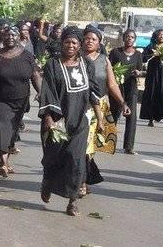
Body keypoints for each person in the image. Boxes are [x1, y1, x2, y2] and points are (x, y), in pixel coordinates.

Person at [39, 26, 105, 216]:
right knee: (53, 158)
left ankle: (73, 201)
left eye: (74, 42)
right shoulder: (52, 65)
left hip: (80, 121)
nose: (70, 45)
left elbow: (93, 93)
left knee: (76, 161)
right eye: (67, 42)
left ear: (79, 45)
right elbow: (48, 92)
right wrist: (49, 118)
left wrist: (100, 118)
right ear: (62, 43)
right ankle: (47, 183)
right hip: (58, 121)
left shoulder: (87, 65)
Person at [0, 27, 41, 177]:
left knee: (13, 130)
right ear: (2, 36)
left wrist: (41, 92)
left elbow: (35, 76)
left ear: (18, 36)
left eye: (13, 34)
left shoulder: (27, 56)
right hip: (0, 99)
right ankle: (2, 162)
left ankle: (6, 161)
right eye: (7, 34)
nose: (10, 37)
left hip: (20, 101)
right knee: (4, 128)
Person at [81, 26, 130, 195]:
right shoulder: (76, 58)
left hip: (99, 108)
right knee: (82, 144)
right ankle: (82, 180)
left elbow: (112, 84)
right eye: (87, 38)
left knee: (90, 146)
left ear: (99, 42)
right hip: (79, 106)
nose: (89, 41)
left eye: (93, 39)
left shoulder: (104, 60)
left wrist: (123, 102)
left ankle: (84, 179)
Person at [109, 29, 144, 154]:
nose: (129, 39)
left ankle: (129, 146)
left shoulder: (138, 54)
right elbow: (108, 68)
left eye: (132, 37)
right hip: (117, 88)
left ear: (135, 39)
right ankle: (109, 143)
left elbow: (141, 70)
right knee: (114, 115)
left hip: (131, 88)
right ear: (123, 38)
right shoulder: (115, 52)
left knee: (131, 117)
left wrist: (139, 73)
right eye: (127, 36)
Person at [140, 28, 163, 127]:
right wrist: (153, 54)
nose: (162, 36)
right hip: (153, 74)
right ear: (156, 36)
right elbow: (143, 58)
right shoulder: (151, 46)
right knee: (152, 93)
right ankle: (151, 118)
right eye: (160, 34)